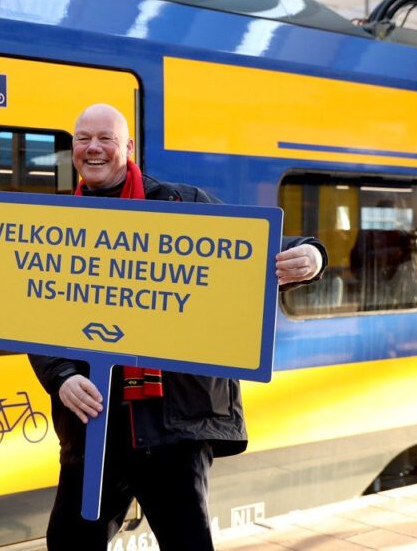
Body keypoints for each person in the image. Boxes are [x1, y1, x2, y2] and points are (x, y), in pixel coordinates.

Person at [29, 104, 327, 551]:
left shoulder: (181, 205)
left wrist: (311, 255)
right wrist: (62, 375)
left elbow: (255, 248)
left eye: (105, 138)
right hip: (94, 425)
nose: (93, 148)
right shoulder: (51, 225)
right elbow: (32, 314)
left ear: (127, 148)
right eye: (82, 138)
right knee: (69, 544)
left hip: (174, 426)